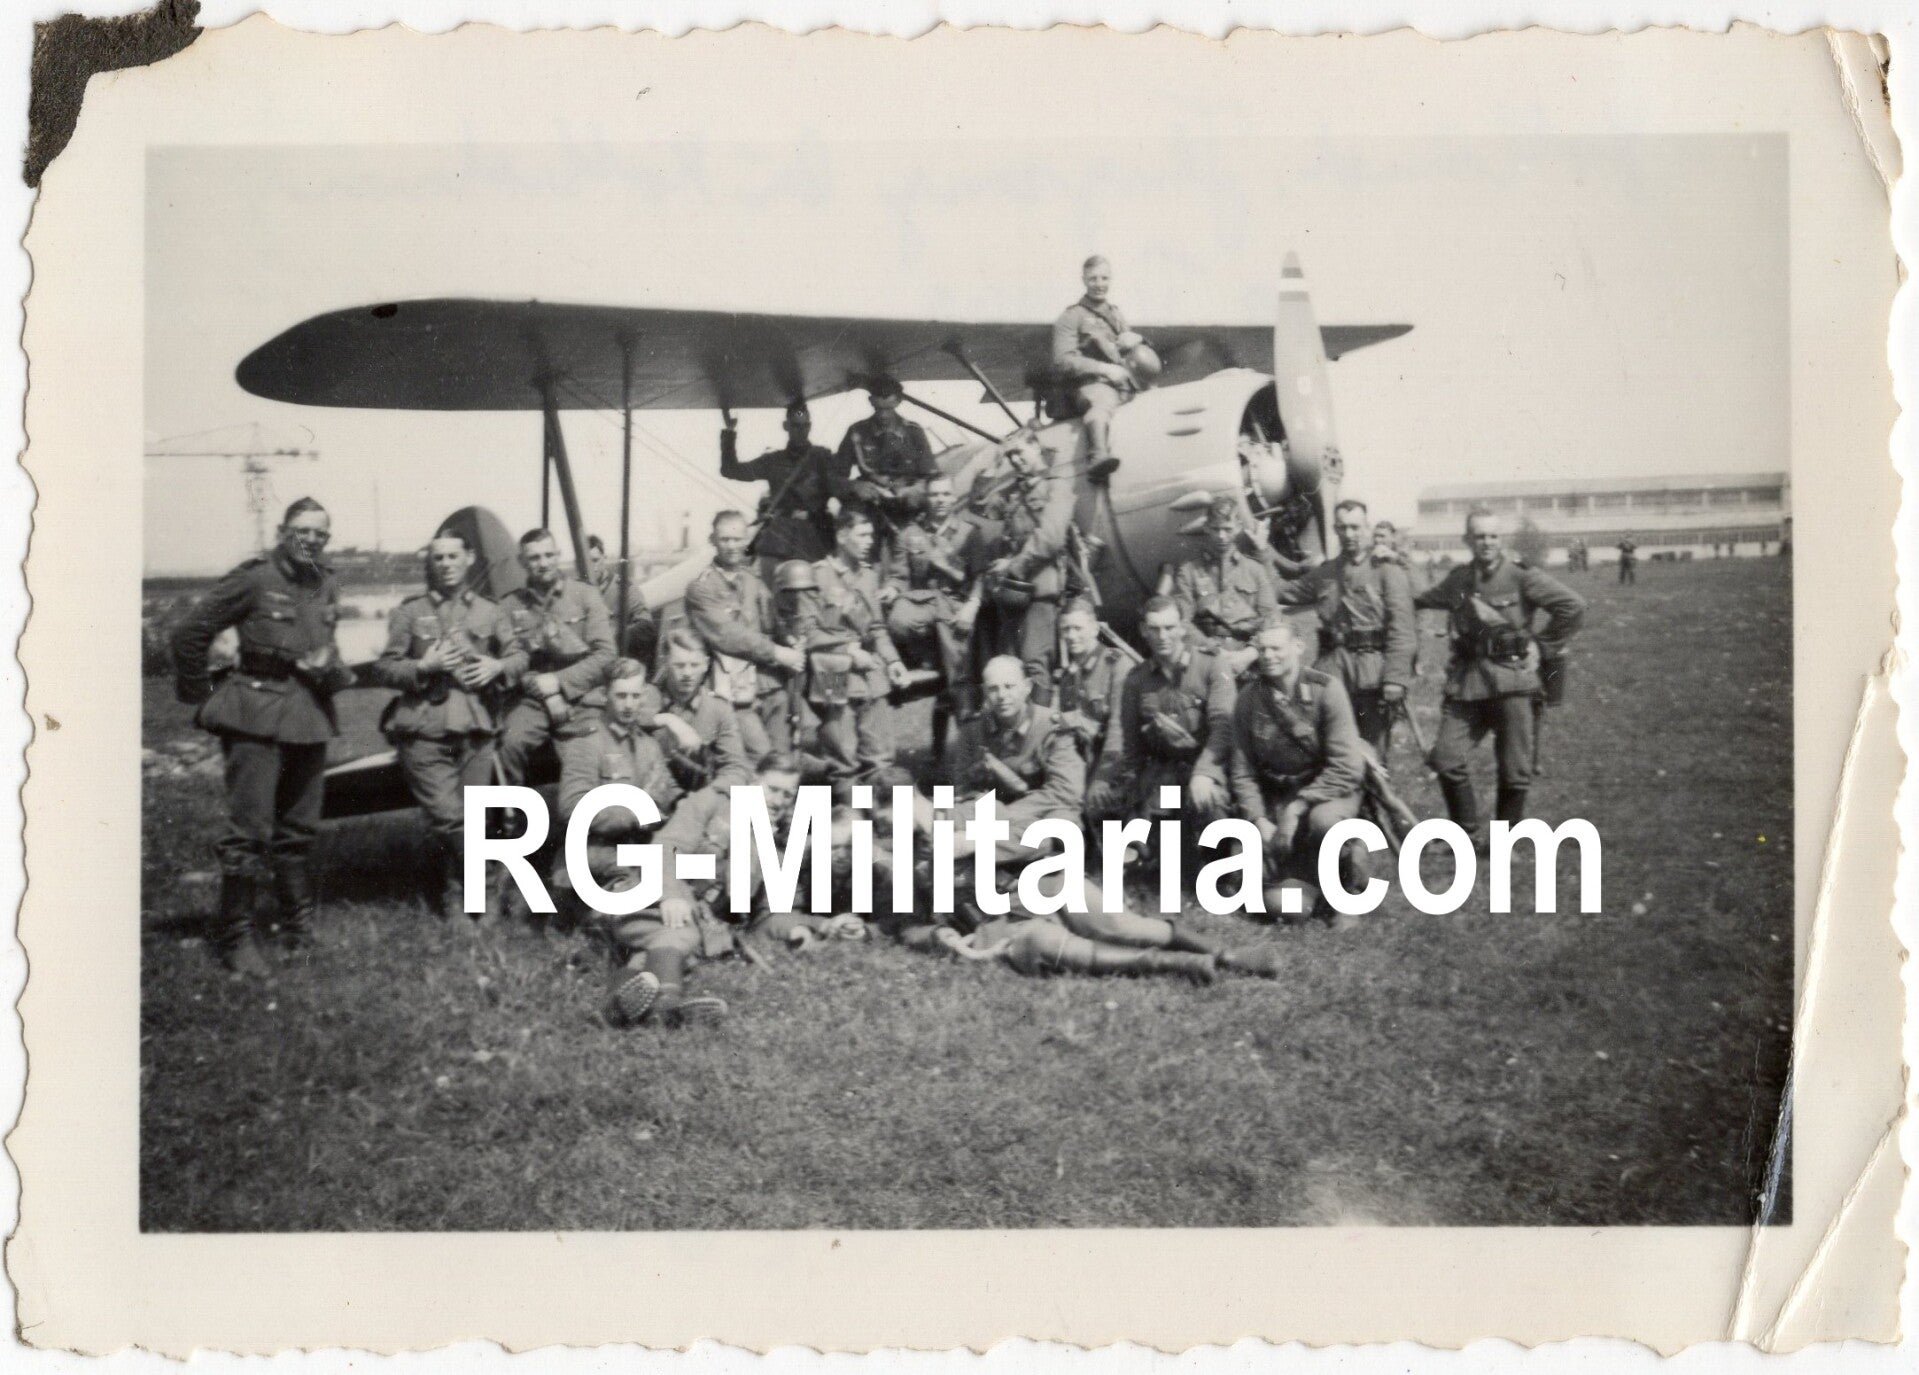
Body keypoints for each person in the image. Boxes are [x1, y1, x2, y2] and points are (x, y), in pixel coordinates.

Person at [169, 497, 356, 973]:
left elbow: (325, 642)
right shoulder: (254, 578)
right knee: (249, 832)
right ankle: (235, 938)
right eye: (302, 530)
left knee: (298, 830)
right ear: (281, 531)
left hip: (309, 715)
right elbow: (189, 633)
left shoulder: (327, 582)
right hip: (255, 717)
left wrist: (328, 664)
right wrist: (203, 696)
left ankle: (298, 930)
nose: (310, 540)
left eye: (320, 533)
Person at [370, 530, 516, 926]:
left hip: (476, 727)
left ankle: (456, 896)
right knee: (448, 818)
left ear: (469, 558)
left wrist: (498, 666)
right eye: (439, 558)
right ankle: (484, 885)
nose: (447, 564)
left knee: (475, 818)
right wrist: (423, 667)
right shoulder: (410, 612)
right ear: (429, 563)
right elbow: (384, 667)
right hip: (423, 729)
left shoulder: (490, 611)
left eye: (454, 556)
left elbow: (519, 656)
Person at [598, 756, 807, 1029]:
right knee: (681, 933)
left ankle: (614, 1011)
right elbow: (666, 845)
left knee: (653, 956)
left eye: (787, 795)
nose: (778, 801)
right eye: (772, 789)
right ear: (754, 781)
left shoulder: (775, 843)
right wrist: (671, 895)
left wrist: (799, 931)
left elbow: (767, 914)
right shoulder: (713, 801)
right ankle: (667, 1006)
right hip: (646, 892)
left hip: (688, 919)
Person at [1414, 507, 1586, 839]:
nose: (1486, 543)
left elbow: (1573, 606)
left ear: (1501, 539)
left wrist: (1542, 645)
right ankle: (1465, 832)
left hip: (1514, 680)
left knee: (1515, 769)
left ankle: (1504, 841)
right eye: (1479, 536)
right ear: (1467, 540)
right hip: (1468, 683)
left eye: (1493, 536)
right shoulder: (1459, 579)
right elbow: (1420, 598)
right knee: (1446, 757)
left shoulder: (1522, 576)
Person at [1228, 618, 1368, 924]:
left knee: (1323, 822)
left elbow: (1346, 767)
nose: (1268, 656)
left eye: (1276, 648)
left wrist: (1299, 806)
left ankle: (1348, 887)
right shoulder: (1249, 699)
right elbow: (1242, 771)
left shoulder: (1326, 691)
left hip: (1327, 792)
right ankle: (1311, 890)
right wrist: (1259, 819)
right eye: (1262, 649)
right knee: (1269, 900)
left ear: (1298, 647)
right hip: (1275, 795)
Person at [1271, 498, 1416, 754]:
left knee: (1372, 755)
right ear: (1335, 530)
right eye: (1343, 527)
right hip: (1332, 672)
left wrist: (1395, 678)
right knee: (1330, 749)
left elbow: (1402, 631)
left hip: (1372, 674)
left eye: (1356, 527)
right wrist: (1262, 551)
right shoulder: (1325, 572)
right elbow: (1282, 591)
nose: (1349, 534)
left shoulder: (1387, 571)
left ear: (1368, 528)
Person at [552, 657, 683, 931]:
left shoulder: (648, 746)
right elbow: (572, 808)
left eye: (635, 696)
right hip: (594, 851)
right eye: (621, 696)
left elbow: (668, 791)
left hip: (635, 848)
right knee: (643, 896)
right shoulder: (586, 743)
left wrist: (686, 806)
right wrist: (638, 813)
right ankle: (601, 922)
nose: (629, 704)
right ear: (604, 695)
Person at [1088, 595, 1235, 838]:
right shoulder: (1137, 680)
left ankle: (1224, 869)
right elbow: (1131, 746)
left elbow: (1223, 727)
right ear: (1144, 631)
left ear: (1182, 628)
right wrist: (1120, 786)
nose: (1163, 636)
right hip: (1168, 772)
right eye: (1154, 629)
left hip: (1209, 765)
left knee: (1209, 803)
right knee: (1147, 815)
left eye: (1169, 628)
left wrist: (1205, 773)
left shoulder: (1211, 664)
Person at [682, 510, 807, 767]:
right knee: (757, 759)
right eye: (725, 539)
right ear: (712, 540)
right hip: (732, 693)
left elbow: (771, 620)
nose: (731, 546)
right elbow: (728, 634)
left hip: (770, 686)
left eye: (737, 539)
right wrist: (778, 653)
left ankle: (781, 807)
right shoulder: (701, 588)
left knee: (784, 760)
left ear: (746, 540)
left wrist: (789, 640)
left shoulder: (752, 581)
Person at [495, 528, 616, 785]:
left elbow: (606, 655)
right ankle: (512, 820)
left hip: (583, 698)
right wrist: (547, 692)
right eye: (535, 558)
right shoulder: (509, 606)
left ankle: (601, 817)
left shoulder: (584, 596)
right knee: (509, 744)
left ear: (558, 555)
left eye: (549, 555)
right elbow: (511, 663)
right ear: (522, 562)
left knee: (597, 752)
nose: (543, 563)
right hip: (532, 702)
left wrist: (558, 683)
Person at [979, 438, 1080, 702]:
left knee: (1034, 666)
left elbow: (1051, 536)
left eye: (1020, 452)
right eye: (1010, 456)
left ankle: (1039, 735)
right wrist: (993, 466)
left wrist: (1012, 566)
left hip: (1040, 591)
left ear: (1037, 446)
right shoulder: (1013, 494)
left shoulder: (1057, 487)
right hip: (1013, 594)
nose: (1015, 460)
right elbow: (979, 506)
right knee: (1010, 669)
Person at [882, 472, 991, 716]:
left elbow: (980, 577)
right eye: (934, 494)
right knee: (897, 619)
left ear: (953, 498)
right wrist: (891, 588)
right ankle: (931, 655)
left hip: (956, 609)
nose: (940, 499)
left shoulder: (968, 532)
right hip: (924, 605)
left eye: (945, 494)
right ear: (926, 498)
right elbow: (899, 574)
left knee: (959, 673)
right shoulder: (911, 534)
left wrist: (972, 605)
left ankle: (966, 724)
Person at [719, 400, 844, 583]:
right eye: (796, 426)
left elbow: (840, 485)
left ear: (810, 426)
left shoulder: (821, 457)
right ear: (786, 426)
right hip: (781, 539)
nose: (801, 431)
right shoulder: (773, 461)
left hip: (816, 537)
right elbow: (730, 470)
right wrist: (730, 431)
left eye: (805, 426)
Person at [1051, 254, 1149, 479]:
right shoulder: (1071, 317)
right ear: (1084, 280)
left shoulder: (1115, 314)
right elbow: (1064, 361)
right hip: (1091, 385)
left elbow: (1128, 348)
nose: (1099, 284)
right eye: (1093, 279)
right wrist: (1105, 370)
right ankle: (1097, 457)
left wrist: (1137, 339)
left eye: (1104, 278)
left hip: (1124, 384)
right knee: (1101, 402)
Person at [633, 628, 752, 794]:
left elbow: (736, 767)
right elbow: (616, 710)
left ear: (706, 664)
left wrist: (706, 798)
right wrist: (667, 719)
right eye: (679, 665)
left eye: (694, 665)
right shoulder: (648, 695)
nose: (687, 673)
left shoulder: (718, 709)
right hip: (653, 797)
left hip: (698, 800)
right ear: (665, 662)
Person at [835, 375, 940, 552]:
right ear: (870, 401)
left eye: (888, 408)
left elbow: (931, 476)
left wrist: (915, 490)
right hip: (871, 510)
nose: (883, 415)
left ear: (899, 401)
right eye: (878, 408)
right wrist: (854, 486)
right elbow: (834, 476)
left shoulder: (914, 433)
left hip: (907, 510)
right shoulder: (857, 432)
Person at [1170, 494, 1279, 660]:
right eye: (1215, 529)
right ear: (1206, 527)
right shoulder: (1189, 572)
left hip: (1250, 657)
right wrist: (1213, 650)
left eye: (1227, 529)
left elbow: (1270, 618)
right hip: (1207, 655)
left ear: (1238, 527)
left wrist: (1249, 653)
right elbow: (1183, 621)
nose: (1221, 536)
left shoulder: (1255, 570)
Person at [1050, 597, 1129, 768]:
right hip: (1086, 763)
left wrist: (1103, 777)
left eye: (1078, 628)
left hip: (1116, 763)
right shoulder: (1067, 676)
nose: (1071, 636)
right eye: (1066, 629)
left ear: (1095, 629)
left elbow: (1119, 727)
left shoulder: (1115, 664)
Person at [586, 533, 656, 661]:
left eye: (595, 560)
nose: (590, 567)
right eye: (585, 562)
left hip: (616, 658)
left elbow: (646, 627)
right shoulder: (574, 591)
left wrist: (615, 635)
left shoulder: (624, 588)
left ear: (604, 558)